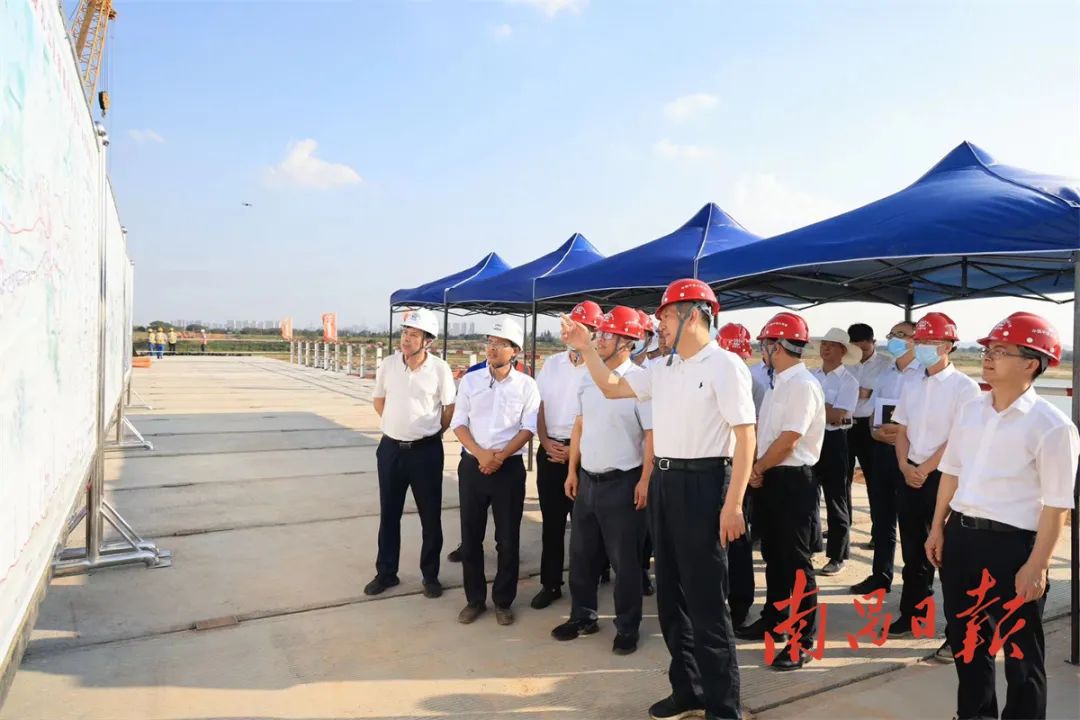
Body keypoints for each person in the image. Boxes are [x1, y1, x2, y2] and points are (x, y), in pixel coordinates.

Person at [562, 278, 756, 720]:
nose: (660, 323)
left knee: (707, 604)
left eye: (666, 315)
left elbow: (746, 437)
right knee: (671, 599)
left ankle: (723, 707)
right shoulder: (663, 368)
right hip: (666, 484)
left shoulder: (725, 366)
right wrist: (587, 348)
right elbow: (612, 386)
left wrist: (733, 504)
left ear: (693, 315)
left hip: (706, 484)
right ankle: (687, 689)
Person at [926, 312, 1077, 720]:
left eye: (1000, 351)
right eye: (988, 350)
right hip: (962, 538)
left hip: (1013, 548)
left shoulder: (1052, 426)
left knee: (1021, 655)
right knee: (967, 643)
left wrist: (1037, 566)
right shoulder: (971, 410)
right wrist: (937, 527)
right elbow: (951, 472)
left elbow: (1057, 505)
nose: (988, 358)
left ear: (1031, 363)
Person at [552, 306, 653, 655]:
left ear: (628, 342)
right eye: (601, 334)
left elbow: (651, 436)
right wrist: (572, 470)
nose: (601, 339)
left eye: (609, 335)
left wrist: (645, 479)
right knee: (581, 555)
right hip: (588, 481)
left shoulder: (639, 381)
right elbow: (580, 426)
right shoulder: (587, 378)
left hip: (623, 483)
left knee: (625, 563)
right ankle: (582, 616)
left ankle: (627, 627)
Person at [735, 312, 825, 673]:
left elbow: (790, 439)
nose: (763, 352)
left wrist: (757, 468)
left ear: (776, 346)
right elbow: (768, 432)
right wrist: (759, 469)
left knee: (797, 563)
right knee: (774, 555)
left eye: (765, 345)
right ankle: (774, 618)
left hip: (792, 481)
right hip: (773, 477)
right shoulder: (779, 383)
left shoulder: (802, 385)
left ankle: (801, 641)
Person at [889, 312, 981, 662]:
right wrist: (905, 465)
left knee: (949, 556)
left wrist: (924, 469)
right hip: (910, 474)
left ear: (948, 346)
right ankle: (913, 613)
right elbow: (902, 430)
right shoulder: (912, 382)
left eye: (930, 342)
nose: (924, 347)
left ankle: (958, 633)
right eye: (921, 341)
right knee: (913, 551)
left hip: (943, 478)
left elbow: (958, 439)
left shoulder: (964, 388)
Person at [450, 317, 540, 626]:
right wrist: (481, 454)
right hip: (473, 466)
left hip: (508, 468)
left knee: (508, 539)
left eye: (500, 344)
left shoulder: (527, 385)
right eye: (489, 342)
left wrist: (499, 458)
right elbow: (458, 422)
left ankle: (503, 600)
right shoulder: (471, 381)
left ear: (515, 351)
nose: (492, 348)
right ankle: (474, 600)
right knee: (471, 536)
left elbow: (528, 428)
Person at [365, 308, 456, 599]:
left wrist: (431, 432)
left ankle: (430, 575)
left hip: (425, 452)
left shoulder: (440, 369)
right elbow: (379, 401)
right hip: (391, 450)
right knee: (389, 514)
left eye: (414, 335)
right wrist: (396, 426)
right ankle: (386, 573)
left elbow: (449, 408)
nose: (406, 339)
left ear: (427, 340)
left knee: (430, 516)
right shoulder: (389, 364)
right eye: (405, 333)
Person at [531, 300, 604, 610]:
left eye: (578, 328)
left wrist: (575, 452)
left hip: (585, 456)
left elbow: (600, 417)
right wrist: (546, 442)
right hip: (550, 452)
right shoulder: (553, 364)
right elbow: (539, 406)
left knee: (586, 528)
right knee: (552, 524)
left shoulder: (600, 367)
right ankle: (550, 584)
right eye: (568, 327)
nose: (570, 333)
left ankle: (586, 585)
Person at [850, 320, 921, 594]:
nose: (895, 339)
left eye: (902, 335)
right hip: (882, 450)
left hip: (912, 454)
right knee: (882, 517)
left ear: (916, 340)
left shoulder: (924, 375)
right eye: (893, 335)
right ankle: (880, 575)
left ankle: (915, 587)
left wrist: (903, 434)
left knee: (912, 522)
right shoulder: (886, 374)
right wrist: (874, 432)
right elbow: (873, 410)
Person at [715, 321, 758, 627]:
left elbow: (751, 430)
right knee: (730, 536)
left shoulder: (742, 376)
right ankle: (733, 599)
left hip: (733, 463)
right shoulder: (741, 373)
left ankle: (739, 601)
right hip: (730, 463)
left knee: (736, 535)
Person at [810, 328, 860, 576]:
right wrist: (825, 408)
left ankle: (838, 555)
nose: (825, 348)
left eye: (831, 344)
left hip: (833, 441)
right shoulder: (811, 375)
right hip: (810, 440)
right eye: (824, 344)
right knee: (807, 497)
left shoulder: (849, 381)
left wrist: (815, 407)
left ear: (843, 350)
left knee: (836, 498)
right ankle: (810, 546)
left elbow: (838, 416)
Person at [846, 323, 893, 552]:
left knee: (875, 482)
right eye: (856, 348)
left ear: (873, 342)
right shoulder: (847, 363)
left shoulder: (887, 364)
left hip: (871, 427)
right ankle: (842, 525)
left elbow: (886, 393)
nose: (860, 353)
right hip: (846, 425)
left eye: (864, 348)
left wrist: (868, 392)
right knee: (842, 480)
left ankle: (878, 532)